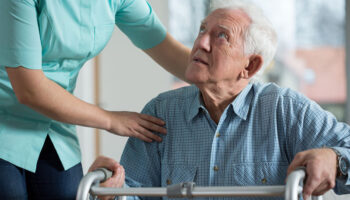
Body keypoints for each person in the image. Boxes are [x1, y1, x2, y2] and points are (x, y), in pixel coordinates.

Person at [90, 1, 350, 200]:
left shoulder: (284, 109)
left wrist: (334, 159)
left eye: (221, 36)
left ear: (250, 65)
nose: (201, 42)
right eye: (202, 30)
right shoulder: (161, 112)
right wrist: (113, 192)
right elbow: (133, 191)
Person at [0, 0, 190, 199]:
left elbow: (168, 50)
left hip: (55, 124)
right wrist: (111, 120)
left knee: (67, 193)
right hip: (6, 119)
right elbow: (29, 90)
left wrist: (219, 75)